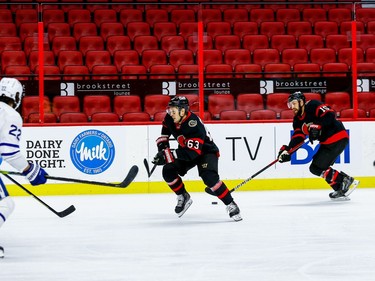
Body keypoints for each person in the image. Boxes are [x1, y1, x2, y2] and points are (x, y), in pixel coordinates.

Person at [152, 96, 242, 221]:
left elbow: (192, 153)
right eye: (170, 110)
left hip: (206, 152)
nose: (170, 114)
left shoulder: (193, 124)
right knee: (168, 170)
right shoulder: (170, 118)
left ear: (182, 111)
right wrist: (163, 150)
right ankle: (183, 196)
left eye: (173, 111)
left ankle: (231, 205)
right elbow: (165, 132)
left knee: (209, 178)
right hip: (187, 150)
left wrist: (168, 155)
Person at [277, 91, 359, 200]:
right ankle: (340, 188)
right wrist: (288, 151)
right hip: (327, 143)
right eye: (290, 105)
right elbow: (298, 138)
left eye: (294, 103)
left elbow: (330, 114)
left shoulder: (313, 105)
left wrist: (317, 125)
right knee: (317, 168)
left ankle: (345, 180)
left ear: (301, 102)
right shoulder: (297, 120)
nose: (292, 107)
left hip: (337, 137)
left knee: (316, 168)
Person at [0, 77, 48, 258]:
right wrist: (30, 171)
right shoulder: (10, 115)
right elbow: (10, 153)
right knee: (5, 204)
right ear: (17, 96)